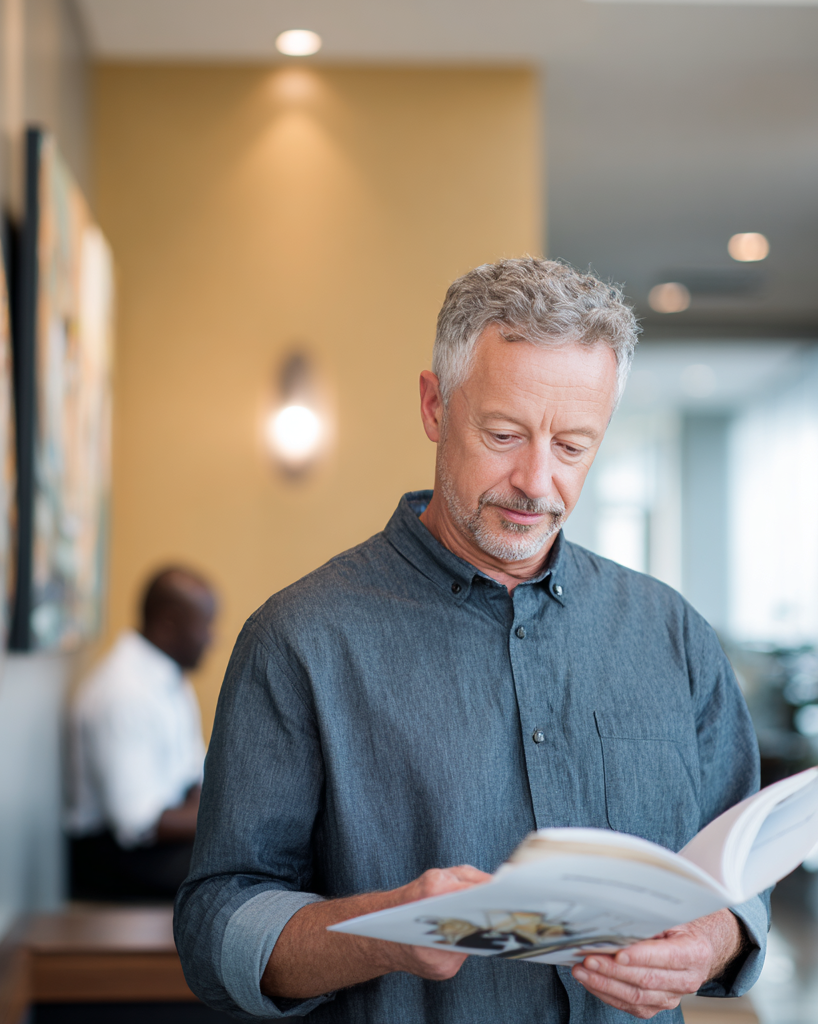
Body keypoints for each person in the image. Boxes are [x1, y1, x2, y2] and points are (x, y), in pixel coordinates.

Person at [174, 258, 768, 1022]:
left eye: (572, 447)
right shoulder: (298, 641)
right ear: (433, 405)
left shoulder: (672, 633)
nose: (535, 482)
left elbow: (736, 869)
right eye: (504, 433)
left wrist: (716, 939)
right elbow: (214, 923)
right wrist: (385, 930)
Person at [67, 568, 215, 901]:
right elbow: (138, 823)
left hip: (160, 834)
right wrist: (225, 818)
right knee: (235, 877)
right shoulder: (124, 691)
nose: (211, 638)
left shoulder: (169, 677)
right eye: (205, 624)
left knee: (257, 860)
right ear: (169, 623)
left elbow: (194, 773)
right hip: (114, 857)